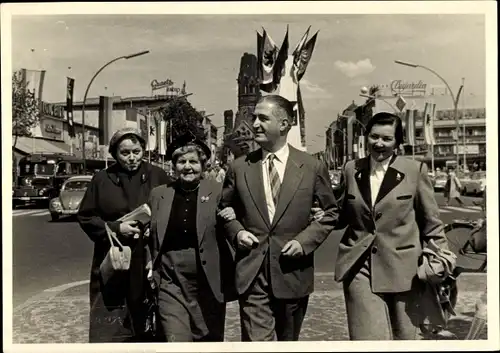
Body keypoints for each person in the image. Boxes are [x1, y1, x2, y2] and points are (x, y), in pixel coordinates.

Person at [219, 95, 340, 341]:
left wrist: (305, 242)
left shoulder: (311, 166)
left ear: (284, 124)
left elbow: (331, 212)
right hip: (252, 272)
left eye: (263, 118)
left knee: (287, 342)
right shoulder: (239, 167)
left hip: (292, 271)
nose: (254, 124)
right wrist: (237, 231)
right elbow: (224, 210)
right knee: (257, 343)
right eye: (254, 118)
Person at [334, 112, 452, 340]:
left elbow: (431, 223)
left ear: (397, 142)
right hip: (360, 266)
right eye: (374, 136)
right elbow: (343, 215)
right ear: (366, 137)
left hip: (405, 271)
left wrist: (440, 261)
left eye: (387, 139)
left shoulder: (414, 171)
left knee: (407, 338)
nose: (379, 143)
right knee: (366, 339)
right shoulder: (351, 169)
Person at [77, 128, 173, 342]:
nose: (132, 158)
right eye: (125, 153)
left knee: (150, 318)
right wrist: (116, 228)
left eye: (136, 151)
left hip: (148, 256)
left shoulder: (158, 175)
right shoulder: (101, 179)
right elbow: (86, 216)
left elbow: (172, 209)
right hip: (115, 257)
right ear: (114, 153)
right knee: (112, 319)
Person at [146, 132, 237, 342]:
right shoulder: (159, 194)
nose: (187, 167)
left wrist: (234, 216)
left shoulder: (217, 191)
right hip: (170, 278)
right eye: (181, 161)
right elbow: (148, 229)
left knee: (207, 338)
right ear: (174, 165)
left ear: (203, 164)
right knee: (175, 337)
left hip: (208, 278)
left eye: (193, 162)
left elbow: (237, 220)